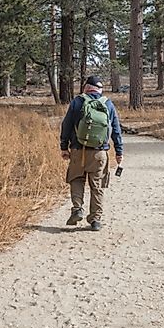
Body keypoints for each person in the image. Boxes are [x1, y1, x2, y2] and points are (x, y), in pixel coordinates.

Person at [59, 76, 124, 231]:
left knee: (76, 179)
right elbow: (116, 129)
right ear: (99, 89)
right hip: (99, 153)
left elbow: (66, 125)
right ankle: (95, 220)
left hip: (77, 150)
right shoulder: (107, 103)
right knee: (98, 185)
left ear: (86, 87)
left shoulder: (77, 102)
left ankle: (77, 209)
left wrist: (64, 147)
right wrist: (119, 151)